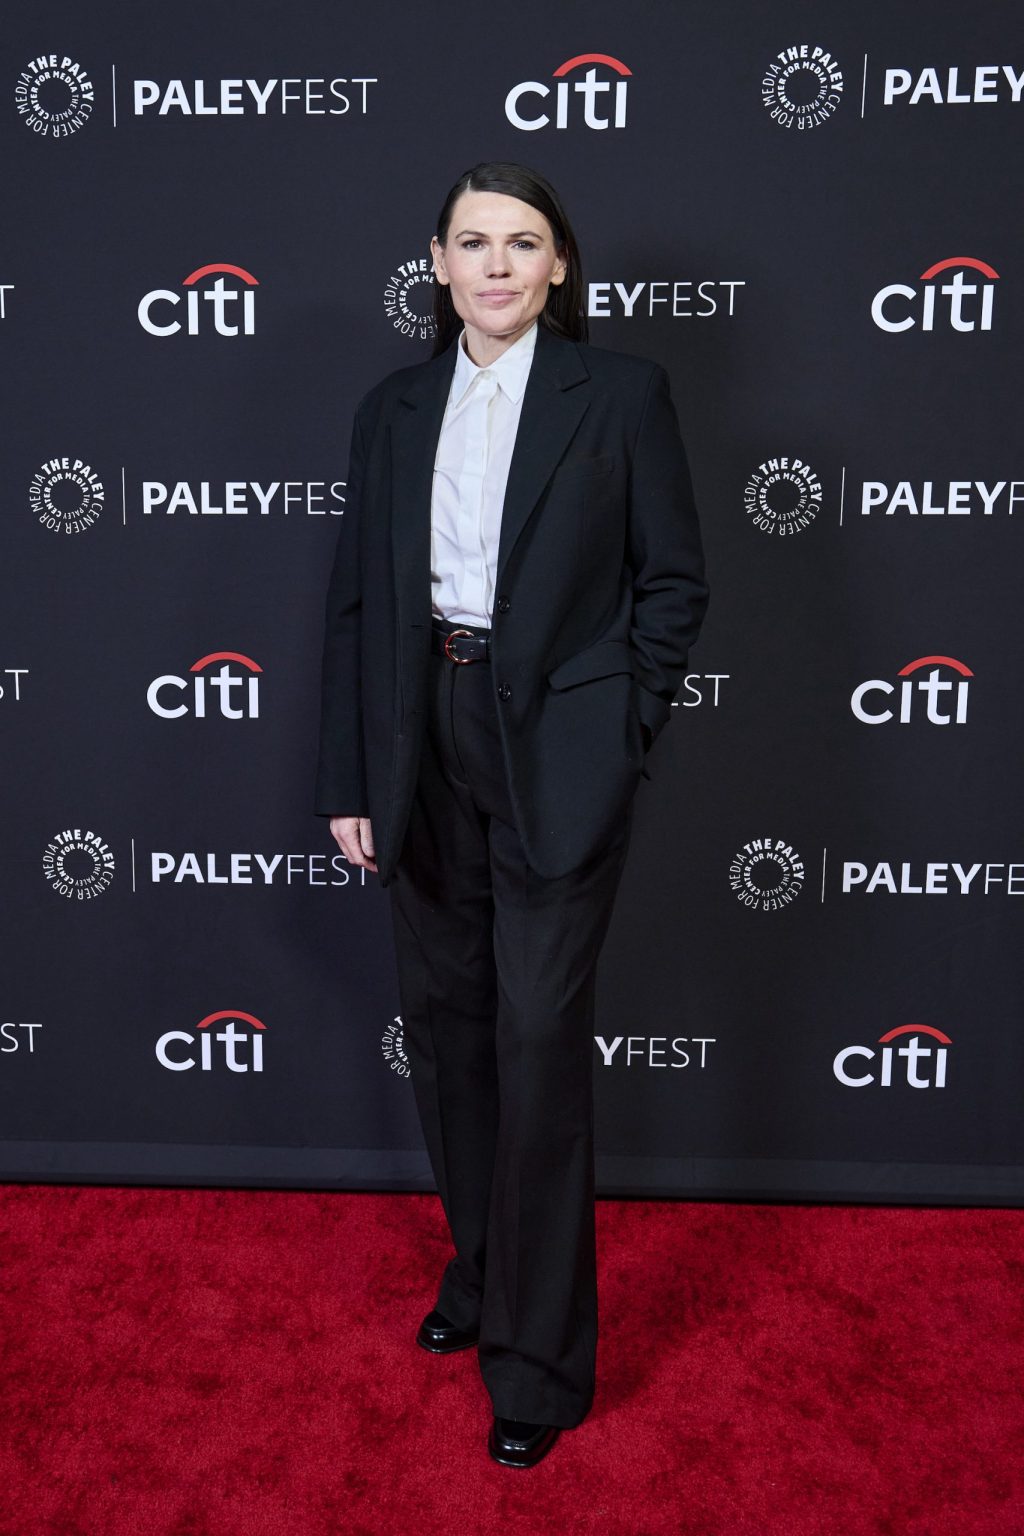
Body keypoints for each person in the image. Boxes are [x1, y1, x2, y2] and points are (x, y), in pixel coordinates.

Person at [315, 162, 708, 1469]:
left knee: (540, 1046)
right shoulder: (391, 411)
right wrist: (351, 783)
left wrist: (622, 725)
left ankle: (536, 1364)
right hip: (420, 741)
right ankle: (482, 1274)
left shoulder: (624, 398)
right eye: (472, 242)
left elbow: (674, 583)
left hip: (559, 754)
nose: (495, 265)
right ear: (436, 262)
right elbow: (358, 610)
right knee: (451, 1035)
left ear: (558, 269)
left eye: (521, 244)